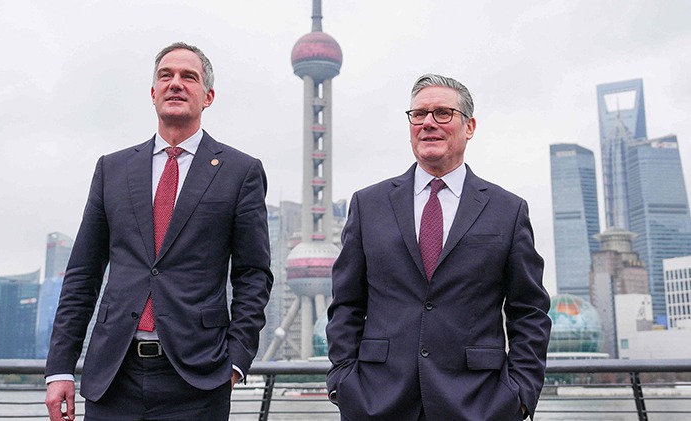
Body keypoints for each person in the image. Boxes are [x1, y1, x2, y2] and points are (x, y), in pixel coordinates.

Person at [44, 42, 273, 420]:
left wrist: (235, 362)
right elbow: (83, 274)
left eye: (189, 77)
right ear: (153, 93)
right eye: (166, 76)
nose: (175, 83)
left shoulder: (240, 172)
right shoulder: (112, 170)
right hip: (113, 376)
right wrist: (59, 369)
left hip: (198, 379)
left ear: (208, 96)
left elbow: (253, 275)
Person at [325, 74, 551, 421]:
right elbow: (346, 304)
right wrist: (344, 382)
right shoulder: (368, 205)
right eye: (419, 114)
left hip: (479, 404)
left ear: (469, 127)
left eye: (443, 113)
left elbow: (529, 311)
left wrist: (519, 394)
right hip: (376, 402)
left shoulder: (507, 210)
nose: (428, 123)